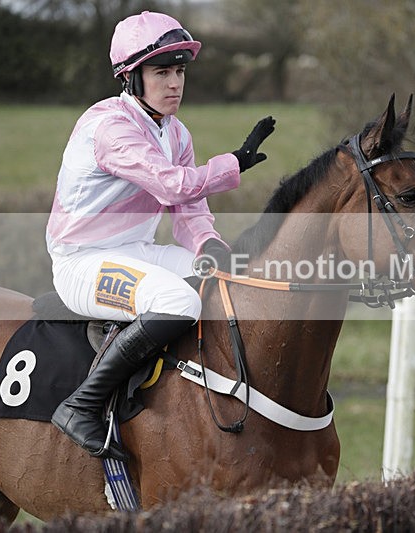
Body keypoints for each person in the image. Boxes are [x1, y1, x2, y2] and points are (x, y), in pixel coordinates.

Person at [46, 10, 274, 462]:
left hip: (137, 250)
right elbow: (171, 183)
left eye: (179, 71)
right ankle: (81, 406)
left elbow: (188, 208)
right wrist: (234, 163)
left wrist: (210, 246)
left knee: (228, 280)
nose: (174, 83)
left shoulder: (175, 132)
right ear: (132, 78)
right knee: (180, 303)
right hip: (81, 262)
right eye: (161, 72)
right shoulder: (109, 127)